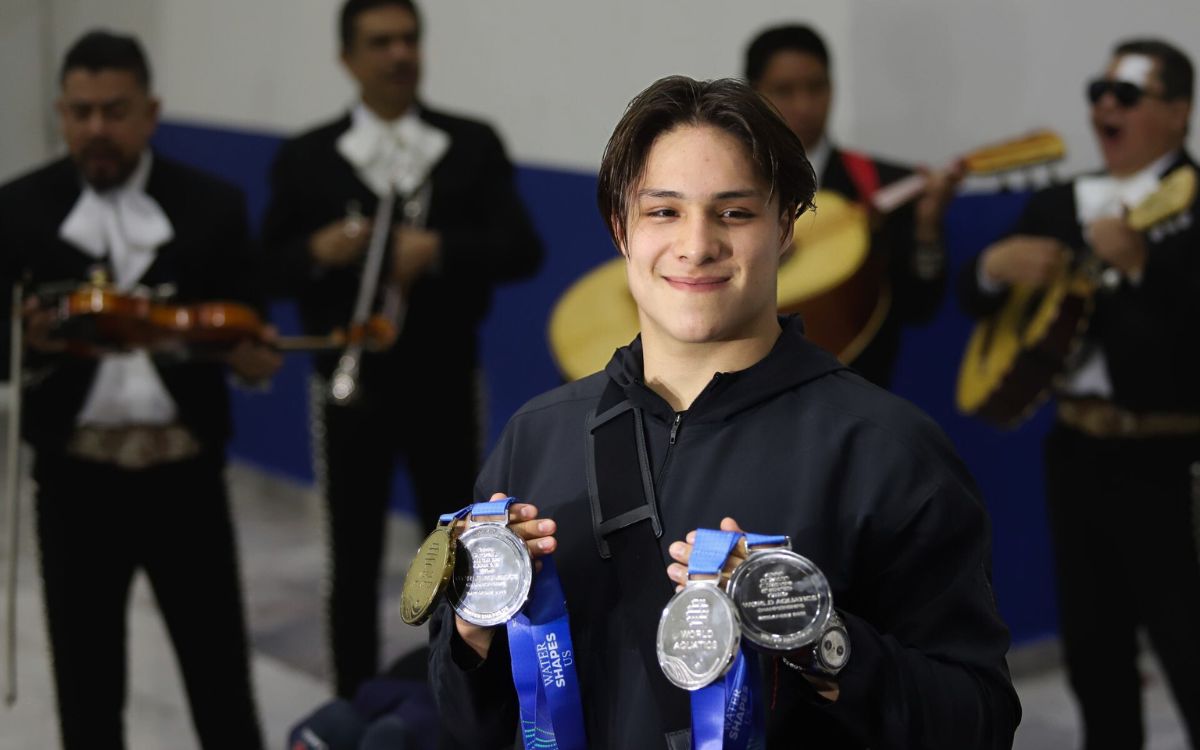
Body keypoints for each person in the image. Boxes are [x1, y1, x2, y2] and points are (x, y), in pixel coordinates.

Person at [428, 75, 1020, 749]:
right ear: (621, 229)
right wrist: (472, 631)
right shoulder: (536, 438)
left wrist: (818, 641)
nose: (697, 244)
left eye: (734, 213)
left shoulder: (885, 450)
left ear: (786, 227)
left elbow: (979, 720)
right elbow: (469, 726)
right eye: (664, 212)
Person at [0, 30, 280, 749]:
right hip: (75, 478)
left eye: (114, 111)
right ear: (61, 114)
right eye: (81, 112)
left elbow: (252, 338)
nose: (97, 129)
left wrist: (253, 365)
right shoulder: (19, 209)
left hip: (183, 473)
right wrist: (26, 349)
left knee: (220, 680)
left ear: (150, 112)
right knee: (86, 692)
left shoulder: (212, 205)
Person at [260, 0, 544, 699]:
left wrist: (440, 250)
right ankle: (352, 698)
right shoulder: (308, 157)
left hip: (444, 380)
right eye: (380, 42)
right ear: (347, 58)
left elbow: (522, 247)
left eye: (408, 39)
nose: (398, 54)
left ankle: (458, 696)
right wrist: (317, 252)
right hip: (349, 385)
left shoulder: (471, 144)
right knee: (350, 557)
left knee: (453, 552)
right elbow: (266, 267)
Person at [959, 38, 1200, 750]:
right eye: (1099, 90)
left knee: (1190, 647)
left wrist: (1146, 268)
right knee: (1094, 653)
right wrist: (994, 268)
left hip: (1170, 455)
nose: (1104, 105)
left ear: (1178, 113)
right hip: (1076, 452)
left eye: (1126, 95)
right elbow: (972, 296)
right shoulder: (1061, 202)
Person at [745, 24, 959, 388]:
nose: (804, 105)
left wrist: (926, 229)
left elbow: (919, 308)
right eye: (784, 91)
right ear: (753, 94)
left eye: (817, 87)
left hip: (858, 393)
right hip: (746, 396)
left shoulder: (885, 184)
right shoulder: (726, 187)